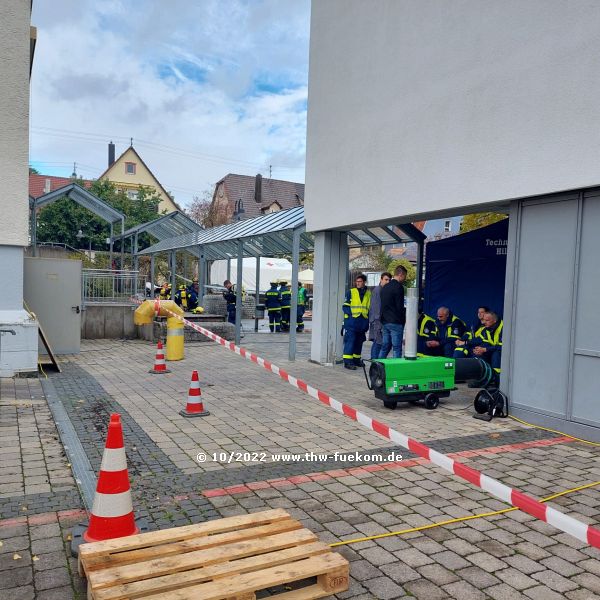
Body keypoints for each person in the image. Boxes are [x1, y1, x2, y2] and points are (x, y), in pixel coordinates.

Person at [342, 273, 371, 369]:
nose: (358, 283)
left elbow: (369, 308)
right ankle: (348, 362)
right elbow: (345, 307)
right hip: (352, 321)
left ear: (364, 282)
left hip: (362, 321)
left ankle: (356, 360)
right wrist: (351, 317)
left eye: (360, 281)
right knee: (350, 341)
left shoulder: (368, 293)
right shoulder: (351, 292)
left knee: (359, 341)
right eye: (357, 281)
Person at [379, 265, 407, 358]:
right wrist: (403, 320)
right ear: (400, 275)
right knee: (397, 348)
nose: (405, 279)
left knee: (385, 346)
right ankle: (396, 370)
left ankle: (377, 368)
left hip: (385, 321)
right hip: (395, 322)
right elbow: (399, 307)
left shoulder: (385, 287)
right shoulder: (399, 287)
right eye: (405, 276)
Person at [368, 272, 391, 359]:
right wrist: (379, 322)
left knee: (378, 342)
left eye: (389, 280)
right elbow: (376, 307)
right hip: (377, 320)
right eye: (386, 279)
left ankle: (374, 360)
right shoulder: (378, 290)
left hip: (378, 320)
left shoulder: (382, 290)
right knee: (378, 342)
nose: (387, 282)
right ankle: (374, 361)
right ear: (381, 279)